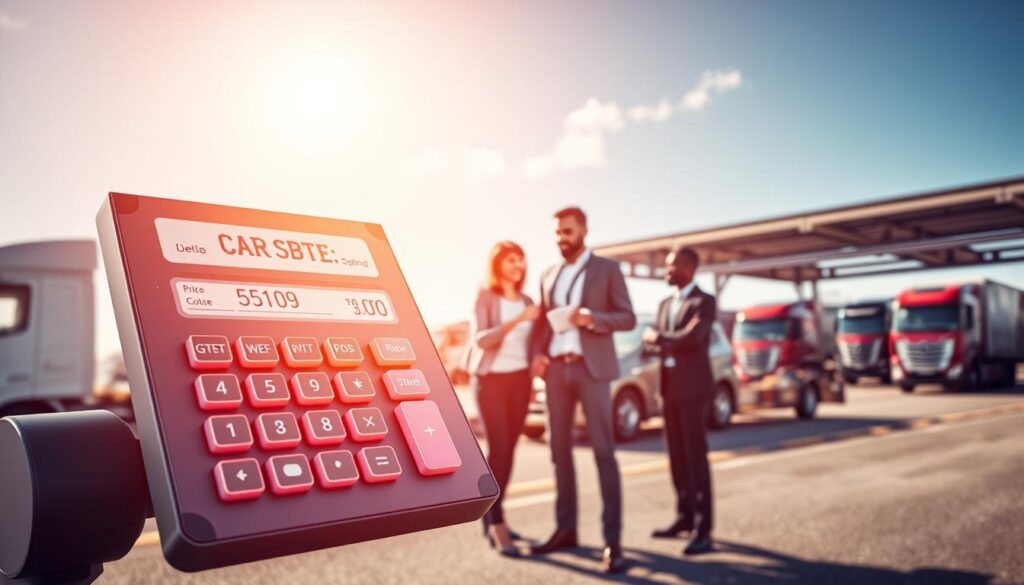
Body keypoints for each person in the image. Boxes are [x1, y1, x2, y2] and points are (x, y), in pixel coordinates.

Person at [528, 207, 636, 574]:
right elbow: (541, 325)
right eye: (558, 233)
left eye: (568, 232)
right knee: (558, 451)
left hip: (593, 369)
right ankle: (566, 529)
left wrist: (593, 319)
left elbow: (628, 317)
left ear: (584, 231)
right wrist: (538, 356)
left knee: (604, 452)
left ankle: (613, 543)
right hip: (557, 371)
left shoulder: (607, 269)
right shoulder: (548, 274)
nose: (562, 238)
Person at [466, 241, 541, 558]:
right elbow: (482, 339)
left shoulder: (528, 300)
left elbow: (536, 341)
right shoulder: (485, 297)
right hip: (490, 381)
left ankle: (496, 515)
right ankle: (496, 524)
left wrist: (538, 361)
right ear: (497, 265)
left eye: (521, 260)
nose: (517, 265)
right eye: (511, 260)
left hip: (520, 382)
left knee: (509, 451)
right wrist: (518, 320)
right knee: (497, 449)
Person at [642, 247, 716, 556]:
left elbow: (693, 338)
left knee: (695, 458)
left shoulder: (705, 301)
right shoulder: (664, 304)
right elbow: (670, 343)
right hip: (669, 389)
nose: (666, 270)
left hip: (693, 390)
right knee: (676, 458)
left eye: (672, 265)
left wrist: (658, 339)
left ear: (690, 267)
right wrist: (663, 343)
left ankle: (703, 529)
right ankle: (684, 517)